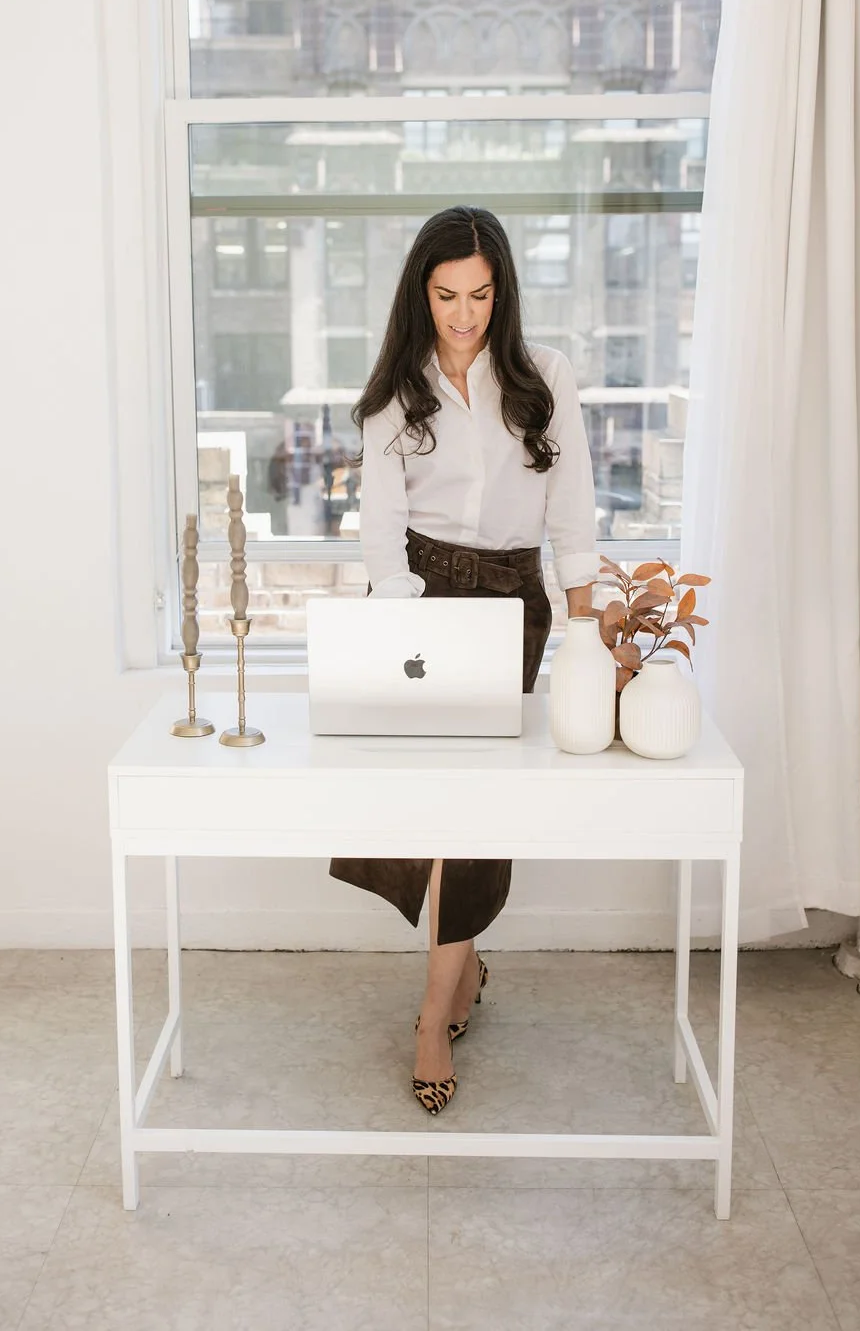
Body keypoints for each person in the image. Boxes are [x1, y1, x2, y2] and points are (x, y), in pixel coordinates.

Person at [329, 205, 599, 1113]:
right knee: (421, 804)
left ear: (503, 291)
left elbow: (572, 511)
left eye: (481, 294)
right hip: (419, 595)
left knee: (477, 811)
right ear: (422, 291)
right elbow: (378, 528)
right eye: (447, 295)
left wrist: (590, 630)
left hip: (513, 604)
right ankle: (464, 965)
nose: (464, 313)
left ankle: (433, 1015)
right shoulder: (394, 390)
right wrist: (409, 628)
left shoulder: (545, 376)